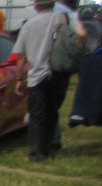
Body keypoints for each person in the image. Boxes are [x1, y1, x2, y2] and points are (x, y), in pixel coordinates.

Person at [14, 0, 76, 159]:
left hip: (37, 75)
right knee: (52, 112)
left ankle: (36, 151)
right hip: (59, 73)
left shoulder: (29, 24)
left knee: (37, 115)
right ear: (52, 5)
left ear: (37, 6)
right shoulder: (63, 19)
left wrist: (20, 79)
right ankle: (49, 147)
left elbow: (21, 56)